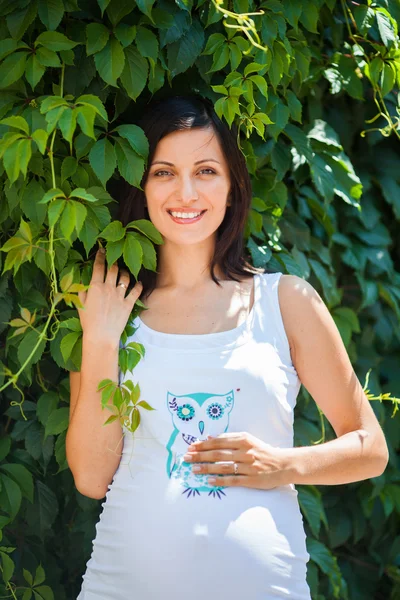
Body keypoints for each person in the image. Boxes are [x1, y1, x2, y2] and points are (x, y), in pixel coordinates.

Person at [66, 94, 389, 600]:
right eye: (164, 172)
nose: (187, 192)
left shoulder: (285, 302)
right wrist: (102, 341)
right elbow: (90, 476)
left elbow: (370, 449)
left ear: (233, 185)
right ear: (139, 185)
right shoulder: (111, 305)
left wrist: (283, 465)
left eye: (206, 170)